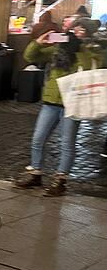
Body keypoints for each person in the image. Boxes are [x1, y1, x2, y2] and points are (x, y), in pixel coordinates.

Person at [14, 17, 105, 196]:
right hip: (51, 101)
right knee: (38, 139)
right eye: (74, 28)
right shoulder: (58, 47)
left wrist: (81, 45)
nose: (75, 31)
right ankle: (35, 174)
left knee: (67, 143)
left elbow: (93, 66)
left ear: (88, 33)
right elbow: (30, 57)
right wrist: (38, 42)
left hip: (73, 104)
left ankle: (61, 179)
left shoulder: (92, 49)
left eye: (82, 30)